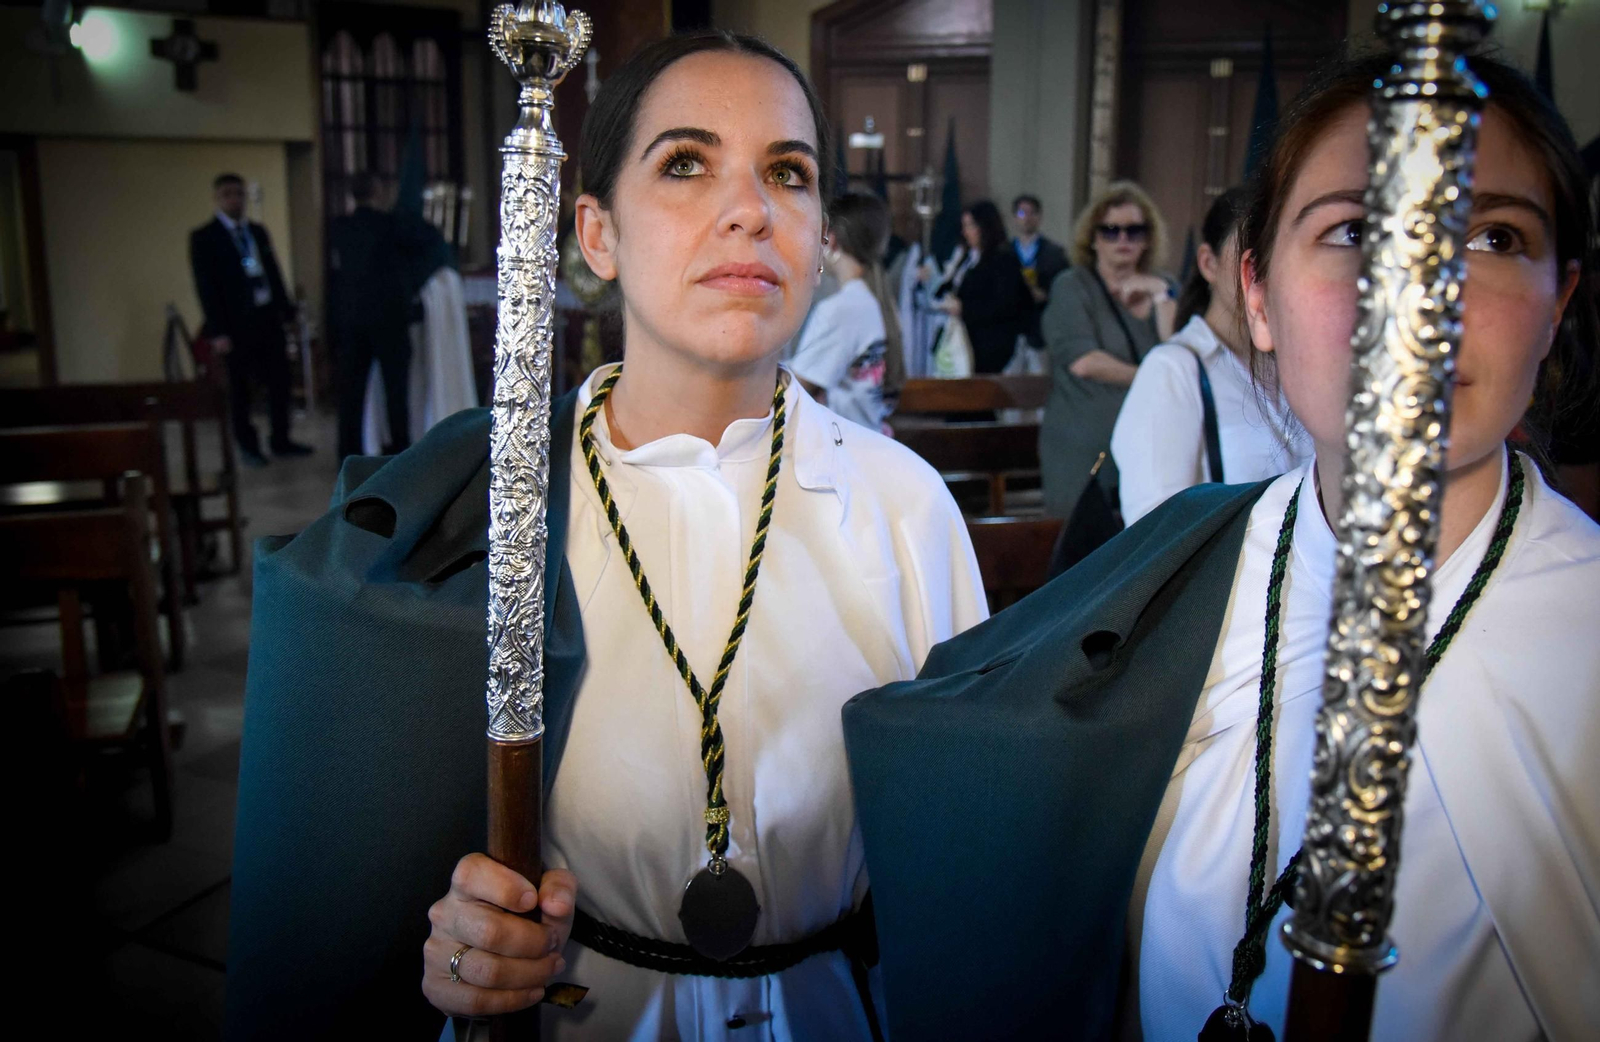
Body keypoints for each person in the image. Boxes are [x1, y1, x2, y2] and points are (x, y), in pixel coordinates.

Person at [226, 30, 987, 1042]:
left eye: (788, 174)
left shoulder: (905, 505)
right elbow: (377, 852)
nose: (749, 210)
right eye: (684, 163)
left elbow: (964, 858)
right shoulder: (489, 509)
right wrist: (459, 945)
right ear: (595, 233)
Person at [843, 51, 1600, 1041]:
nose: (1418, 293)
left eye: (1492, 235)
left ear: (1561, 301)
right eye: (1356, 231)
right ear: (1258, 290)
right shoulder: (1188, 564)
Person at [1110, 187, 1309, 524]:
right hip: (1233, 576)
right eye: (1251, 254)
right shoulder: (1173, 370)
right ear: (1208, 263)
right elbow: (1154, 534)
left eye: (1280, 251)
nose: (1268, 271)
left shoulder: (1296, 364)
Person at [1038, 180, 1174, 517]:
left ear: (1148, 238)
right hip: (1085, 448)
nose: (1123, 240)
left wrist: (1161, 299)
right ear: (1094, 238)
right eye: (1111, 231)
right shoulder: (1072, 286)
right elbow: (1084, 362)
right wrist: (1152, 377)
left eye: (1135, 231)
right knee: (1082, 554)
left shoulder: (1165, 287)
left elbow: (1179, 358)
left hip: (1149, 446)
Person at [189, 172, 311, 466]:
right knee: (241, 389)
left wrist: (287, 312)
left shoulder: (256, 232)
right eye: (228, 194)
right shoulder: (205, 237)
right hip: (234, 325)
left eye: (239, 194)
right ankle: (248, 445)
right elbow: (206, 287)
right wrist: (217, 331)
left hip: (266, 318)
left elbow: (273, 273)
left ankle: (281, 439)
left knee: (279, 381)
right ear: (218, 198)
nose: (235, 200)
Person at [790, 192, 905, 431]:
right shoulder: (874, 299)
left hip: (846, 449)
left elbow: (797, 389)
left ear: (830, 240)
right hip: (867, 439)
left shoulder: (842, 309)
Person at [329, 171, 410, 461]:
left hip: (351, 317)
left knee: (351, 392)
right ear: (377, 191)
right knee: (395, 390)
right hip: (388, 318)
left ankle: (346, 452)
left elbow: (335, 276)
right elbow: (402, 269)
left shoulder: (340, 227)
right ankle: (400, 449)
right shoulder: (390, 225)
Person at [933, 199, 1033, 373]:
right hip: (964, 339)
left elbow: (1005, 305)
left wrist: (965, 308)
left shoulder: (1003, 260)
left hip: (988, 345)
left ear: (985, 227)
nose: (966, 232)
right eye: (964, 226)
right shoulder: (968, 257)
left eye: (971, 226)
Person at [1011, 193, 1070, 347]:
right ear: (1015, 217)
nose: (1027, 218)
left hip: (1041, 329)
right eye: (1022, 213)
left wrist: (1046, 294)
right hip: (1011, 329)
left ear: (1039, 217)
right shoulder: (1005, 252)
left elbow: (1064, 289)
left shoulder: (1055, 253)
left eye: (1032, 213)